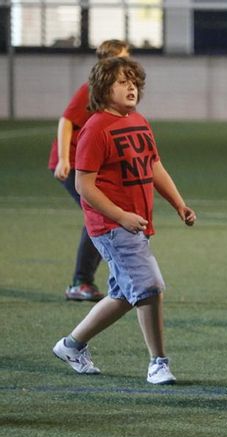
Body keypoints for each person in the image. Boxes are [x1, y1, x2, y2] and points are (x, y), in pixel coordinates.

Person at [51, 57, 197, 384]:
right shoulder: (95, 128)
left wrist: (179, 203)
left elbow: (153, 166)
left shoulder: (139, 121)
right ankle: (158, 363)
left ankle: (71, 345)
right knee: (150, 287)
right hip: (112, 227)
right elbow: (83, 186)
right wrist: (120, 215)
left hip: (133, 223)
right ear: (103, 88)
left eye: (134, 81)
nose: (131, 86)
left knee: (122, 295)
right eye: (121, 81)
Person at [49, 39, 130, 301]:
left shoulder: (116, 92)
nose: (129, 63)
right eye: (124, 59)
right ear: (110, 63)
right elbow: (66, 121)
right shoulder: (90, 90)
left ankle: (95, 279)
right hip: (74, 163)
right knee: (96, 214)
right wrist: (63, 158)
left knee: (101, 215)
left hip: (90, 164)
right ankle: (80, 282)